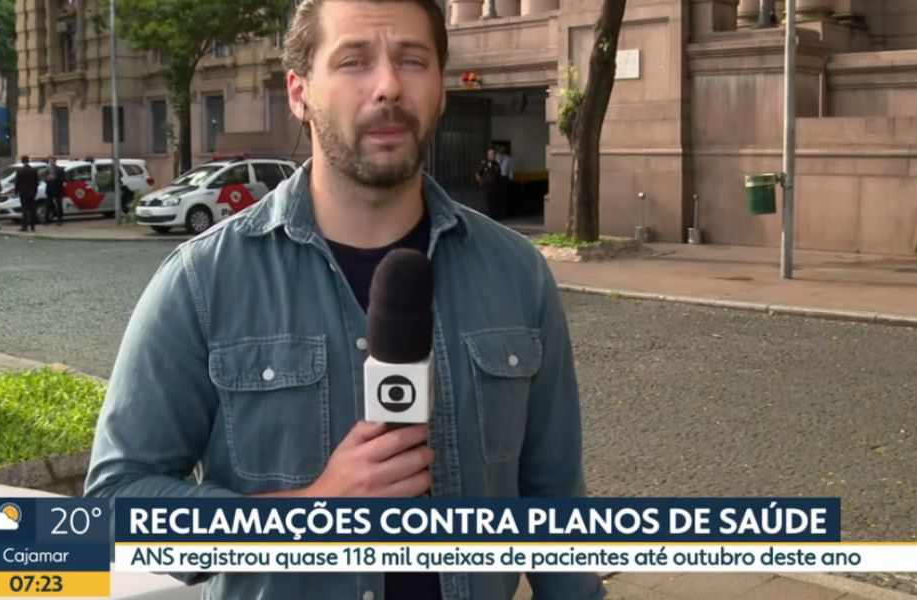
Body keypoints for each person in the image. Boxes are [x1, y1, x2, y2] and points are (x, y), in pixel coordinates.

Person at [83, 0, 602, 599]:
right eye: (354, 61)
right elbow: (118, 504)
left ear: (439, 88)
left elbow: (554, 503)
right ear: (300, 93)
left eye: (412, 60)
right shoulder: (202, 282)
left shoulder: (518, 276)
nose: (387, 87)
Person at [474, 147, 504, 218]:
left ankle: (494, 216)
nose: (492, 156)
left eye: (493, 154)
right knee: (486, 203)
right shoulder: (484, 163)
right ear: (488, 155)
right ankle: (486, 216)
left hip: (494, 187)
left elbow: (498, 175)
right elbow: (478, 174)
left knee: (494, 202)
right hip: (486, 187)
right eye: (490, 154)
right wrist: (481, 183)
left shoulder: (496, 164)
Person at [14, 156, 41, 232]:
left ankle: (24, 226)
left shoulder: (20, 171)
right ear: (28, 161)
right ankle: (33, 226)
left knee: (24, 209)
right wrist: (35, 191)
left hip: (23, 192)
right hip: (32, 192)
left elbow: (17, 183)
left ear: (22, 161)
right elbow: (36, 182)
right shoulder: (34, 170)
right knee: (32, 209)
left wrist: (16, 191)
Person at [44, 156, 65, 225]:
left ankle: (60, 219)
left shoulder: (59, 169)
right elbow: (45, 179)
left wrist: (55, 178)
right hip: (49, 189)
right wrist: (47, 179)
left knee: (58, 204)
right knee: (48, 204)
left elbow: (62, 179)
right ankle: (46, 219)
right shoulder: (47, 169)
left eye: (52, 161)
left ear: (55, 161)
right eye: (50, 161)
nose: (51, 163)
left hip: (57, 189)